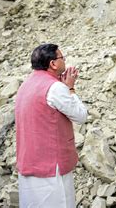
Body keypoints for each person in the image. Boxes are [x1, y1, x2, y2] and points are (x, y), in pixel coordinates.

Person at [15, 43, 87, 208]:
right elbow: (81, 115)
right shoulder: (54, 88)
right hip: (50, 167)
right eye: (62, 58)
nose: (65, 61)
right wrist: (70, 87)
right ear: (53, 64)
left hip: (28, 161)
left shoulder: (25, 85)